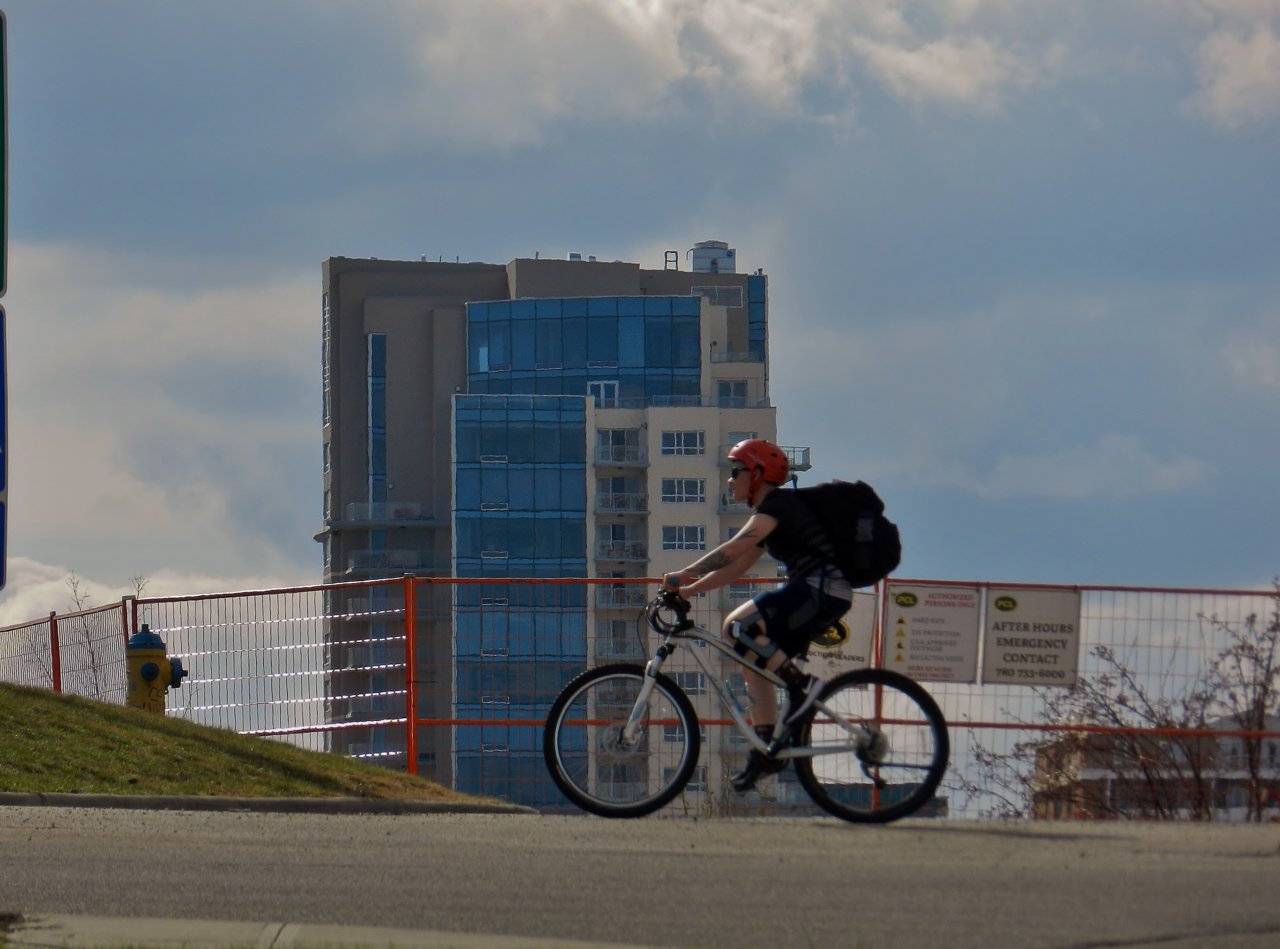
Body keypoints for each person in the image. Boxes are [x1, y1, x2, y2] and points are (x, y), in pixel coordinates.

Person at [661, 438, 853, 792]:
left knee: (737, 626)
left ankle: (802, 686)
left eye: (736, 472)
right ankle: (766, 747)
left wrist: (682, 575)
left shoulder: (778, 505)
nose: (731, 480)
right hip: (819, 593)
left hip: (821, 591)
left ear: (758, 474)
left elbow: (734, 548)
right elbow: (736, 567)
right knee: (751, 655)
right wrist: (688, 592)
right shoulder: (771, 516)